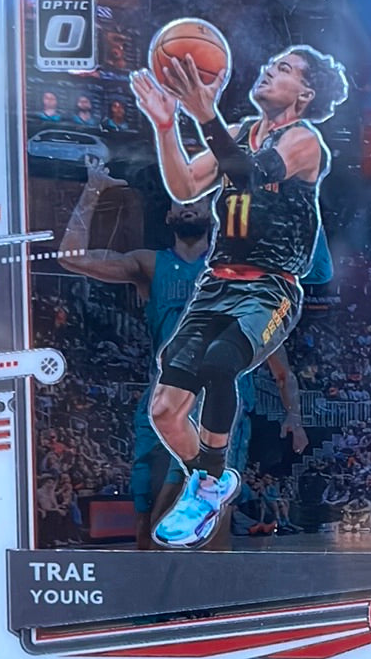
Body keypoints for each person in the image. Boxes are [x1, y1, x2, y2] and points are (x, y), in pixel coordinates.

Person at [130, 41, 347, 547]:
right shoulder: (237, 132)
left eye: (284, 68)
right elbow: (185, 186)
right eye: (271, 63)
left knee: (219, 363)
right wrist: (166, 127)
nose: (268, 69)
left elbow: (248, 176)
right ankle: (210, 482)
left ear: (305, 93)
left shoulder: (304, 141)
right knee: (164, 410)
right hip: (218, 282)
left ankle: (206, 484)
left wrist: (204, 114)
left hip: (271, 286)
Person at [59, 160, 308, 549]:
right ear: (169, 214)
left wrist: (294, 413)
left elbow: (278, 355)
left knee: (213, 528)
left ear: (214, 209)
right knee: (147, 522)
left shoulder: (248, 270)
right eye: (181, 200)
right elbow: (71, 257)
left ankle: (208, 580)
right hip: (166, 396)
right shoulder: (150, 263)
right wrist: (94, 189)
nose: (188, 205)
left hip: (223, 402)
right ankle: (158, 586)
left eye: (197, 198)